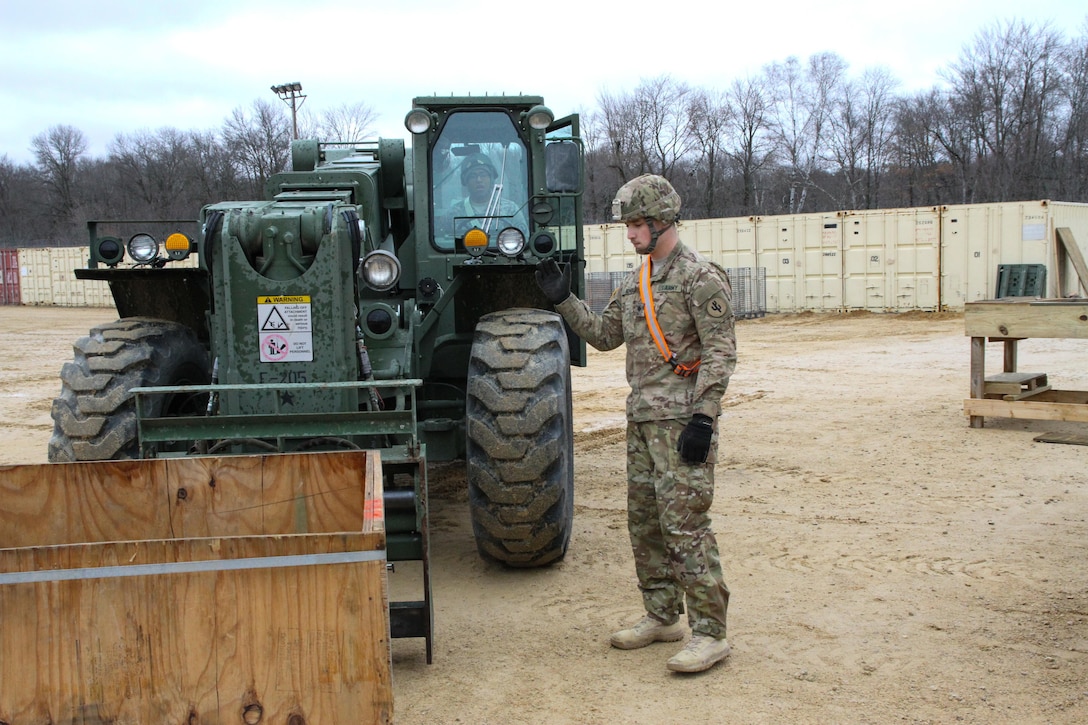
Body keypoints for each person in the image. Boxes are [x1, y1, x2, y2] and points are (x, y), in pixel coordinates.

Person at [535, 174, 736, 673]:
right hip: (642, 422)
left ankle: (711, 632)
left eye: (635, 224)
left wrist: (704, 419)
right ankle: (663, 615)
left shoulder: (699, 276)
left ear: (661, 220)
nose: (629, 233)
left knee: (686, 527)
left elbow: (720, 352)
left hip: (683, 424)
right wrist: (564, 301)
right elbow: (605, 336)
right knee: (645, 524)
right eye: (628, 225)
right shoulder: (637, 280)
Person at [448, 152, 526, 239]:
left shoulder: (511, 210)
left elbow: (524, 240)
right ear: (466, 182)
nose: (479, 180)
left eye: (483, 175)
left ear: (491, 179)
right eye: (473, 176)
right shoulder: (454, 213)